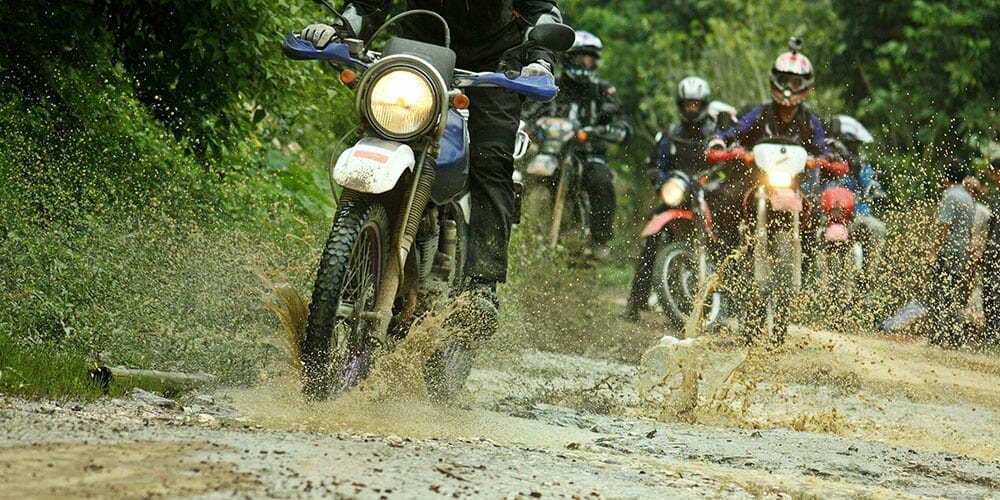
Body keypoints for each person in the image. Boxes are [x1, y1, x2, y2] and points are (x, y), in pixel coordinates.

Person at [300, 1, 563, 384]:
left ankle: (481, 288)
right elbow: (370, 3)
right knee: (379, 128)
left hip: (493, 67)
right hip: (415, 55)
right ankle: (357, 252)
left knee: (492, 161)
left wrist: (540, 58)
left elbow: (542, 11)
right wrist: (340, 28)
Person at [524, 30, 631, 261]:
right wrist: (525, 124)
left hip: (588, 154)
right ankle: (520, 235)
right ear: (568, 59)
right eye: (580, 58)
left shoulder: (603, 91)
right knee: (519, 173)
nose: (585, 63)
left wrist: (611, 130)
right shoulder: (551, 86)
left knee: (601, 180)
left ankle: (600, 241)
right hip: (552, 151)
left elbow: (621, 123)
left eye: (590, 59)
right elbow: (529, 111)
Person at [620, 76, 719, 322]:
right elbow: (656, 165)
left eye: (696, 104)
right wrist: (661, 181)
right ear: (680, 104)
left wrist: (714, 181)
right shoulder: (671, 134)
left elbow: (725, 164)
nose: (691, 108)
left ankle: (733, 306)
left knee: (726, 237)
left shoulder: (715, 134)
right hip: (678, 197)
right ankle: (635, 302)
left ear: (704, 104)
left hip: (708, 197)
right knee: (652, 239)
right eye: (688, 104)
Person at [823, 115, 887, 292]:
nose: (855, 149)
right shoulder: (823, 159)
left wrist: (875, 189)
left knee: (877, 228)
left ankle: (867, 281)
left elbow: (870, 180)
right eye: (852, 145)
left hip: (857, 216)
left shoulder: (861, 164)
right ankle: (806, 286)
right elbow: (810, 183)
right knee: (809, 233)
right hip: (826, 219)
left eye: (856, 146)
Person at [925, 158, 976, 348]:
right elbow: (969, 229)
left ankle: (937, 337)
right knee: (951, 294)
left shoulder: (949, 196)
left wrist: (933, 252)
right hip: (961, 251)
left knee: (937, 293)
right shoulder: (969, 198)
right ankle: (955, 337)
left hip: (947, 251)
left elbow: (944, 227)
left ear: (947, 177)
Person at [982, 159, 1000, 348]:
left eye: (994, 173)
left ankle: (994, 333)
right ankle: (991, 332)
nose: (992, 177)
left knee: (995, 293)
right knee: (989, 292)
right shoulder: (996, 196)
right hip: (992, 251)